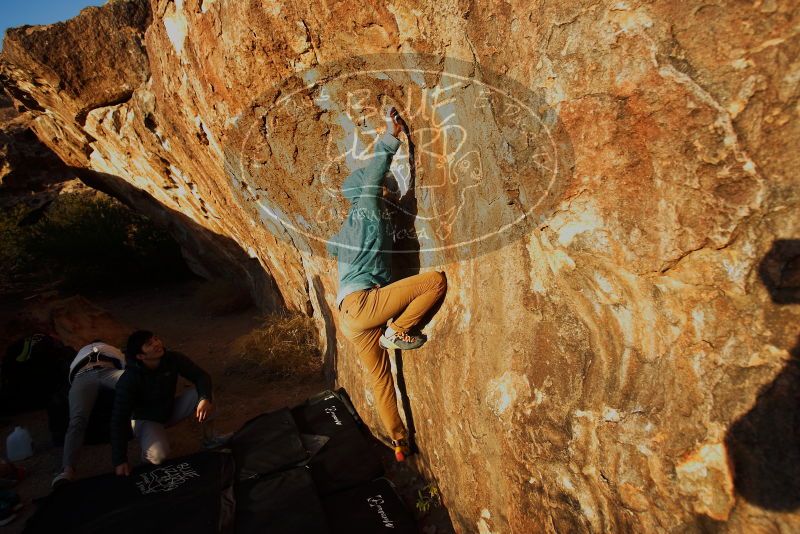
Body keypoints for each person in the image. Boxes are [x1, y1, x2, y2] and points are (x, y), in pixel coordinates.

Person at [327, 107, 447, 461]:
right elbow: (373, 179)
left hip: (351, 317)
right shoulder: (367, 207)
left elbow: (333, 245)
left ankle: (398, 441)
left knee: (382, 381)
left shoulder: (347, 227)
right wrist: (391, 135)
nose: (388, 191)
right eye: (384, 189)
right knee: (434, 282)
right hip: (365, 305)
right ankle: (400, 330)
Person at [110, 331, 217, 475]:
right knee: (158, 456)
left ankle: (210, 439)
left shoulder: (172, 359)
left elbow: (201, 376)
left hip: (170, 409)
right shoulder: (129, 380)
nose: (156, 344)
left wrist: (204, 398)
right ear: (140, 356)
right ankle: (147, 452)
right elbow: (119, 419)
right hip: (146, 419)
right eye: (149, 344)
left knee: (204, 394)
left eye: (155, 339)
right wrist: (120, 460)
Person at [52, 341, 126, 488]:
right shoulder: (81, 351)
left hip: (109, 370)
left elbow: (126, 363)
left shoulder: (111, 348)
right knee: (77, 419)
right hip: (82, 376)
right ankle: (67, 470)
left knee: (135, 382)